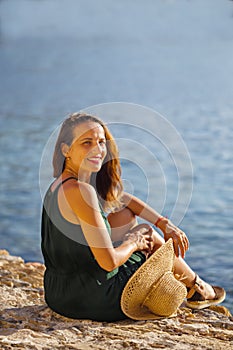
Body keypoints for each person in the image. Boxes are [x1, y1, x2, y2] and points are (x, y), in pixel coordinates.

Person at [41, 112, 225, 322]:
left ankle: (196, 288)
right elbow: (109, 263)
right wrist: (133, 242)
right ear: (66, 149)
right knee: (146, 233)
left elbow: (124, 200)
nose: (98, 149)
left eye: (101, 142)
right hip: (94, 299)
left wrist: (164, 223)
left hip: (59, 294)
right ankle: (198, 287)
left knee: (126, 215)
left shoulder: (58, 185)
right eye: (86, 142)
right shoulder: (82, 192)